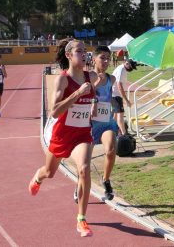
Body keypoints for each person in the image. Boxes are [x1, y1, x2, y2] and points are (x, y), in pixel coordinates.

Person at [28, 38, 98, 237]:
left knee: (84, 169)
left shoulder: (91, 76)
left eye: (85, 51)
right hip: (62, 135)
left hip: (83, 134)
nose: (84, 54)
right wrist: (77, 93)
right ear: (68, 55)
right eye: (79, 51)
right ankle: (38, 177)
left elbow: (101, 78)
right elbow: (54, 112)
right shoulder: (63, 79)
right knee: (49, 172)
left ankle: (81, 219)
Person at [74, 45, 118, 202]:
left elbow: (109, 98)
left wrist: (117, 109)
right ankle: (79, 182)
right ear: (94, 59)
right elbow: (82, 94)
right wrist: (95, 87)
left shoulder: (112, 79)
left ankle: (106, 180)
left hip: (107, 122)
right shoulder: (88, 76)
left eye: (108, 58)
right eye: (102, 58)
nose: (106, 61)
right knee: (84, 162)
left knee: (111, 150)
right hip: (90, 124)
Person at [111, 58, 137, 135]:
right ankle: (124, 133)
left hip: (114, 94)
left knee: (115, 115)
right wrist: (126, 100)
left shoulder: (122, 69)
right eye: (131, 67)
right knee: (120, 115)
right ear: (127, 63)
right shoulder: (121, 70)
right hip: (116, 95)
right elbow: (119, 85)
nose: (131, 69)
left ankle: (112, 131)